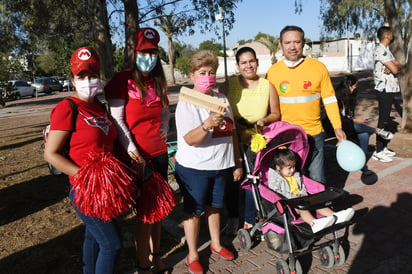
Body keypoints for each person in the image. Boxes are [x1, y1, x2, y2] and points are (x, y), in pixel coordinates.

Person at [44, 47, 136, 273]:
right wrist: (85, 176)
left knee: (94, 238)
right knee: (112, 245)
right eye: (82, 76)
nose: (87, 80)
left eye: (92, 75)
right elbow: (51, 153)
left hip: (105, 188)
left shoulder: (98, 107)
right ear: (73, 80)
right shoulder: (67, 108)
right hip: (84, 190)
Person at [104, 27, 171, 273]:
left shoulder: (158, 81)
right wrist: (132, 149)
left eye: (153, 52)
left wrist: (164, 127)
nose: (149, 56)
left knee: (159, 211)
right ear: (134, 52)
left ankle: (157, 256)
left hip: (159, 154)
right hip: (137, 159)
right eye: (144, 51)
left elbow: (164, 111)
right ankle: (144, 266)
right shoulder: (121, 81)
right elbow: (117, 120)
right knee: (145, 215)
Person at [175, 50, 242, 274]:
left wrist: (237, 160)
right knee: (193, 212)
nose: (208, 76)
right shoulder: (187, 101)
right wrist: (206, 125)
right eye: (202, 72)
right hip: (195, 168)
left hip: (221, 165)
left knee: (215, 207)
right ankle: (192, 254)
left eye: (212, 72)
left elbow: (232, 131)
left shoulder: (221, 98)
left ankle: (216, 244)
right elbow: (190, 139)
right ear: (193, 75)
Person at [266, 25, 346, 185]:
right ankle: (296, 211)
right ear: (281, 45)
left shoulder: (318, 68)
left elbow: (329, 100)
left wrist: (337, 126)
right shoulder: (273, 72)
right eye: (288, 42)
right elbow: (269, 106)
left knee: (317, 180)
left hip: (314, 135)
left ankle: (321, 209)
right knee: (292, 182)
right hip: (286, 138)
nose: (292, 46)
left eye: (297, 42)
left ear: (303, 43)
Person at [219, 46, 280, 232]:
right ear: (237, 65)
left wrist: (264, 120)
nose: (248, 65)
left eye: (251, 61)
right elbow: (219, 111)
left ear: (257, 63)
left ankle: (249, 218)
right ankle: (232, 217)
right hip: (230, 140)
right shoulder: (228, 86)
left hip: (254, 141)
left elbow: (276, 113)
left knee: (251, 180)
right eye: (244, 62)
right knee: (232, 180)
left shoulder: (267, 86)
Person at [268, 147, 355, 233]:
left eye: (294, 167)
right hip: (289, 204)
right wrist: (294, 197)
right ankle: (313, 223)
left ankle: (335, 215)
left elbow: (302, 186)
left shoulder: (295, 175)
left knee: (315, 202)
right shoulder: (275, 179)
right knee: (302, 207)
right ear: (278, 167)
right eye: (289, 168)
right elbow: (277, 193)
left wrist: (303, 194)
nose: (293, 170)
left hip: (301, 199)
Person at [335, 75, 394, 174]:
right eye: (354, 86)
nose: (355, 89)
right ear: (348, 86)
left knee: (364, 134)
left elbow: (348, 117)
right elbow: (338, 119)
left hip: (347, 124)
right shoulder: (337, 98)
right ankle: (378, 131)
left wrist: (354, 120)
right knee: (356, 125)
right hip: (336, 126)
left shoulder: (350, 97)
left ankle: (362, 164)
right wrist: (355, 120)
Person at [372, 26, 401, 162]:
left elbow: (397, 64)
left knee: (385, 119)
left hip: (389, 89)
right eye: (391, 34)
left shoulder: (386, 51)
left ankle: (383, 148)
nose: (392, 35)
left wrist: (394, 65)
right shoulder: (380, 50)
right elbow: (395, 69)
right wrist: (393, 66)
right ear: (388, 35)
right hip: (384, 89)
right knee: (382, 120)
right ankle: (378, 151)